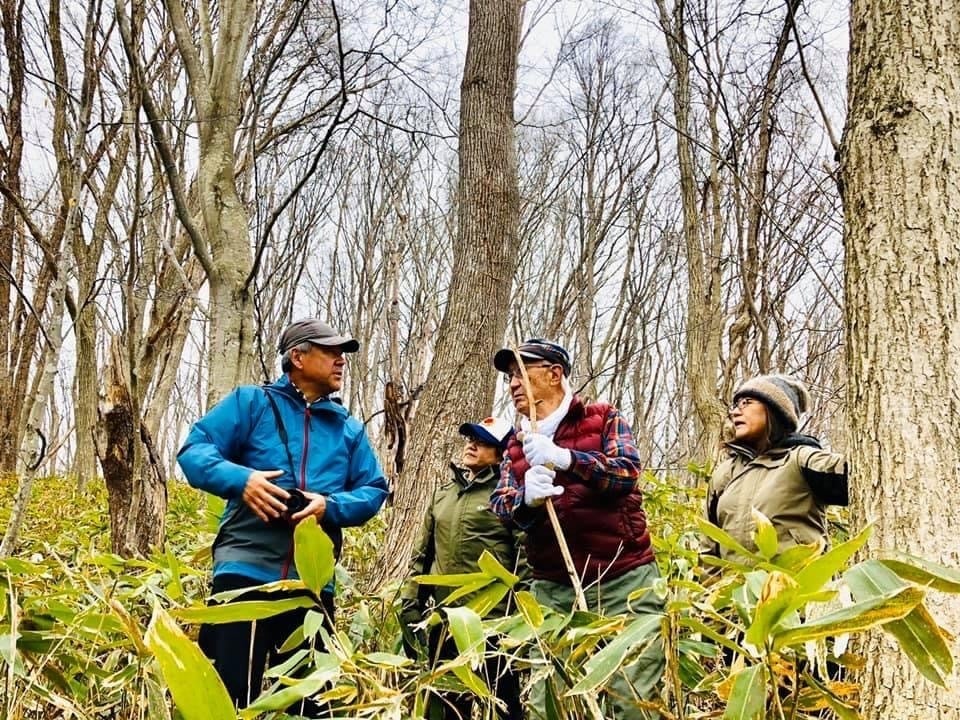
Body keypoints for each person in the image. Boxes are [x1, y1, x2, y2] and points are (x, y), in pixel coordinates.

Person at [177, 318, 389, 711]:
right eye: (331, 351)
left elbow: (375, 490)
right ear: (298, 357)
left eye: (342, 353)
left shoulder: (348, 429)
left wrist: (328, 506)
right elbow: (194, 451)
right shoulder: (251, 403)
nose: (341, 360)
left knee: (309, 703)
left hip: (312, 584)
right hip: (243, 574)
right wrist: (243, 480)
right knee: (226, 697)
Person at [489, 338, 663, 719]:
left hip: (624, 582)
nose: (513, 383)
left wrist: (566, 459)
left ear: (555, 375)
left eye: (521, 373)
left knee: (631, 698)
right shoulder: (515, 446)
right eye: (509, 377)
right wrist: (526, 500)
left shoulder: (603, 418)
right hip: (553, 590)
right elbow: (501, 505)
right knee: (547, 699)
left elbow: (626, 473)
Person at [401, 416, 524, 720]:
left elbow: (525, 557)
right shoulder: (444, 493)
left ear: (501, 452)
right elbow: (422, 553)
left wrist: (521, 618)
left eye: (482, 442)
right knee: (446, 708)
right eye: (470, 439)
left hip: (493, 625)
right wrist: (411, 603)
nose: (471, 445)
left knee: (505, 706)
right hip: (446, 622)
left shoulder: (508, 495)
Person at [704, 374, 848, 559]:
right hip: (737, 579)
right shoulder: (725, 473)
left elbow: (862, 477)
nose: (735, 412)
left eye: (746, 403)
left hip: (797, 577)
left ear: (775, 409)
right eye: (735, 405)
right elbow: (709, 548)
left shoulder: (801, 459)